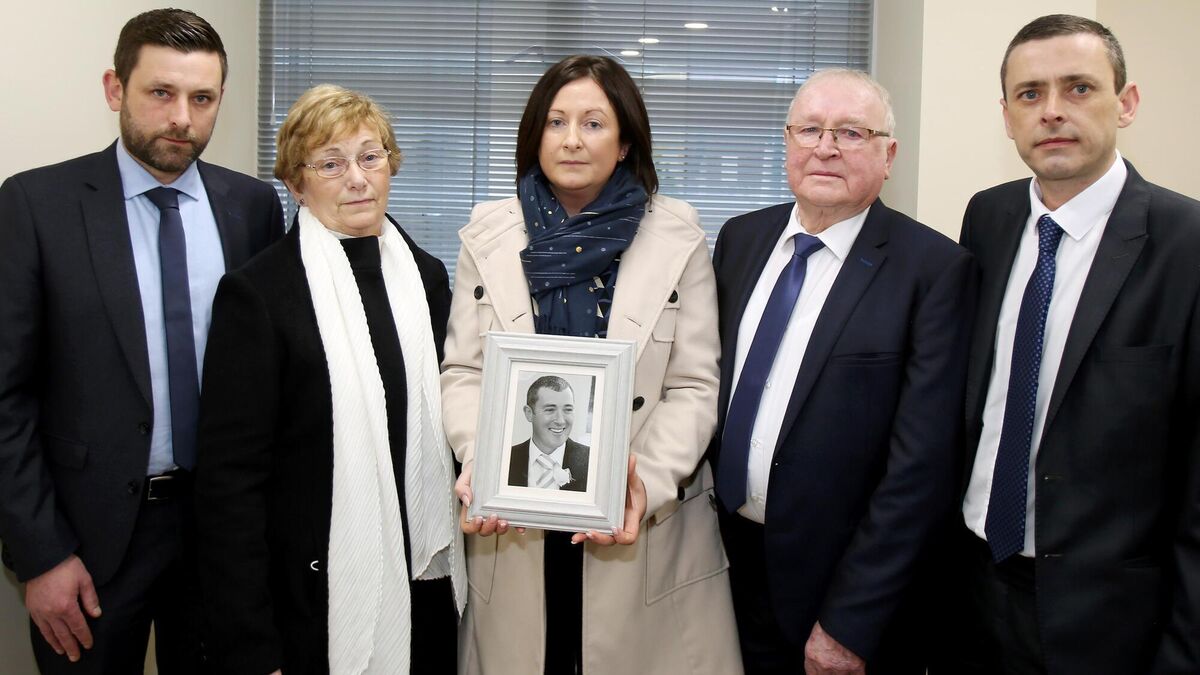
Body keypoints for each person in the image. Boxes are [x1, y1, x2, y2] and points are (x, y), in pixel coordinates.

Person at [0, 9, 282, 672]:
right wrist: (41, 554)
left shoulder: (252, 208)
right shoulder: (37, 205)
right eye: (161, 92)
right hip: (87, 543)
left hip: (221, 535)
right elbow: (6, 396)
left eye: (202, 98)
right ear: (114, 89)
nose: (182, 118)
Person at [442, 55, 741, 674]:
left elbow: (694, 385)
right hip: (516, 525)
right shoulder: (488, 234)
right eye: (556, 122)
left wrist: (642, 483)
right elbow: (464, 373)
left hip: (639, 526)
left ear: (625, 140)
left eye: (594, 123)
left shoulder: (678, 236)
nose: (572, 139)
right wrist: (482, 457)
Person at [939, 14, 1200, 675]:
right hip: (970, 585)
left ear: (1126, 102)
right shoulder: (988, 217)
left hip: (1107, 620)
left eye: (1078, 87)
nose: (1052, 111)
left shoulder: (1187, 243)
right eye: (1030, 94)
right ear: (1007, 117)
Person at [191, 84, 465, 674]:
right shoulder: (259, 295)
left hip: (427, 580)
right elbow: (229, 486)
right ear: (296, 184)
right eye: (331, 164)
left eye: (370, 156)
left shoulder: (426, 277)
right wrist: (251, 646)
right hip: (311, 600)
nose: (358, 179)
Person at [709, 69, 975, 675]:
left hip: (835, 590)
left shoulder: (934, 270)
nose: (825, 148)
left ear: (889, 155)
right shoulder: (740, 239)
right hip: (723, 567)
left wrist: (851, 622)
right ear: (787, 142)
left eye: (851, 133)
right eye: (809, 129)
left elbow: (921, 470)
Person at [509, 376, 590, 491]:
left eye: (568, 410)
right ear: (529, 413)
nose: (560, 421)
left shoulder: (592, 461)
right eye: (550, 410)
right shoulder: (506, 459)